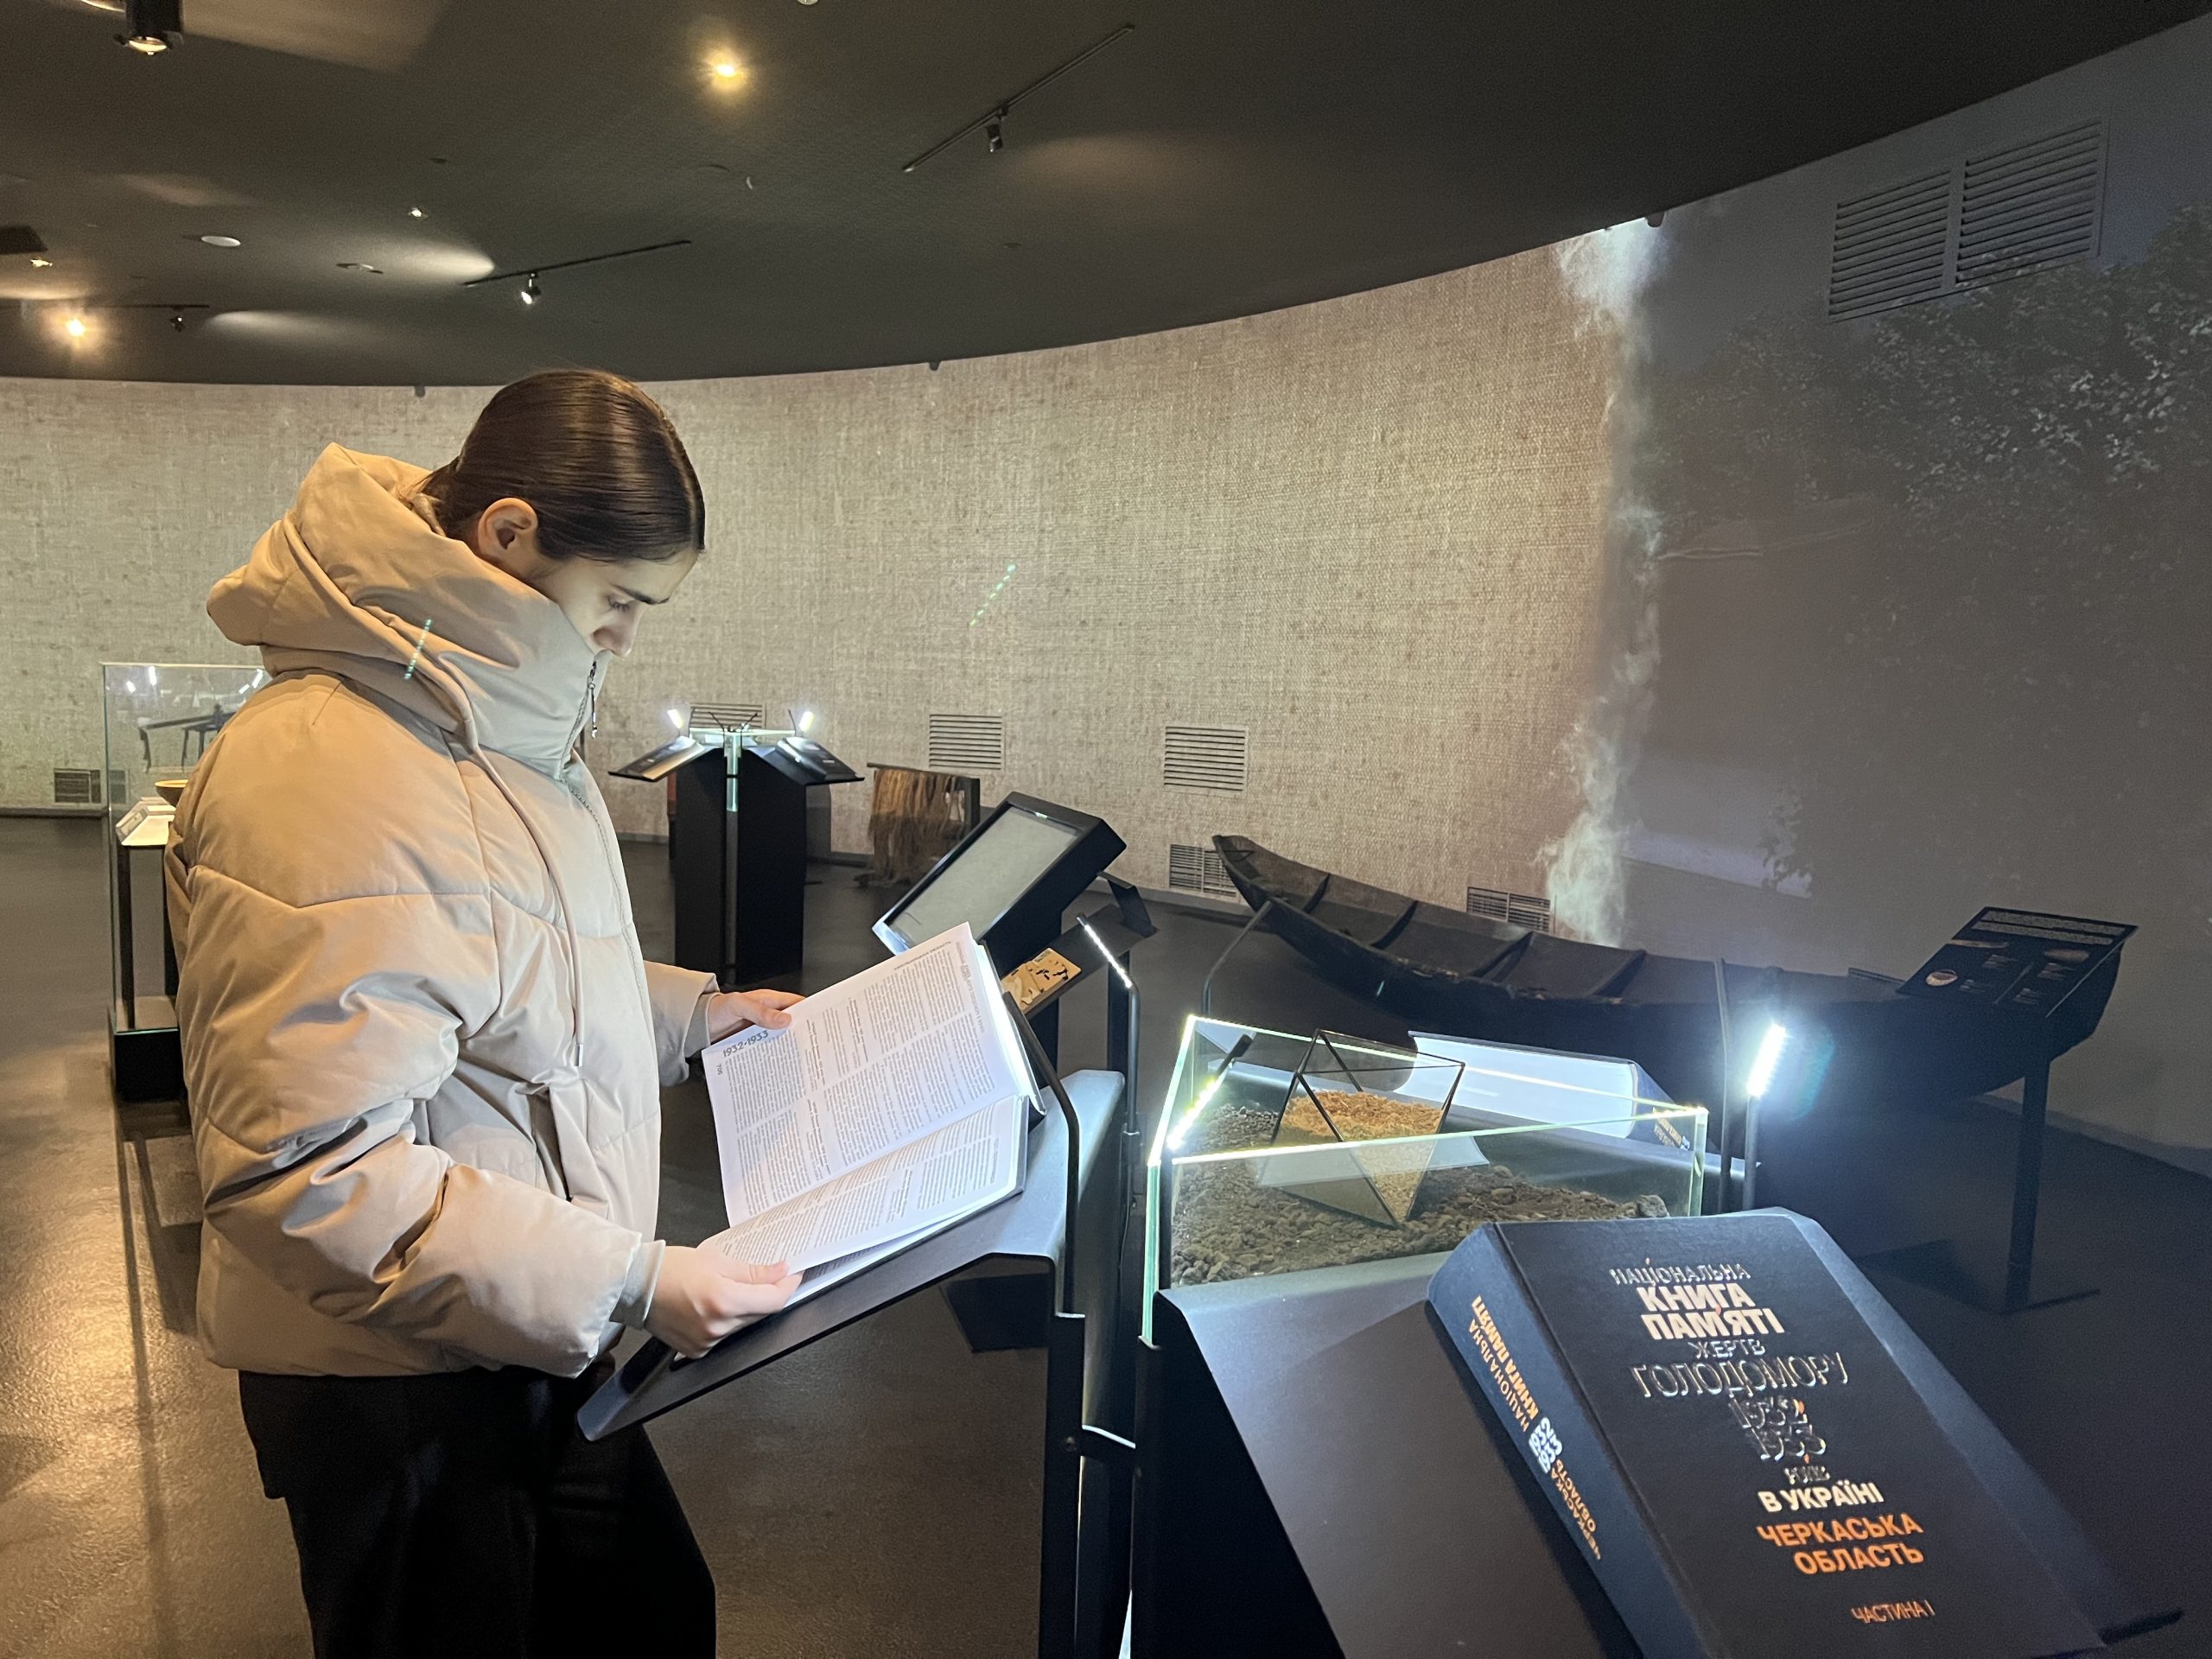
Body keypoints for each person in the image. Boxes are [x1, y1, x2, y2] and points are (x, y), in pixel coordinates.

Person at [165, 370, 799, 1659]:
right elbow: (306, 1171)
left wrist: (696, 1019)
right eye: (619, 600)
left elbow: (506, 976)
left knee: (653, 1615)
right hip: (398, 1387)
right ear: (509, 534)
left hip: (512, 1325)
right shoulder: (331, 767)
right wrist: (633, 1278)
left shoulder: (484, 723)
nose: (625, 638)